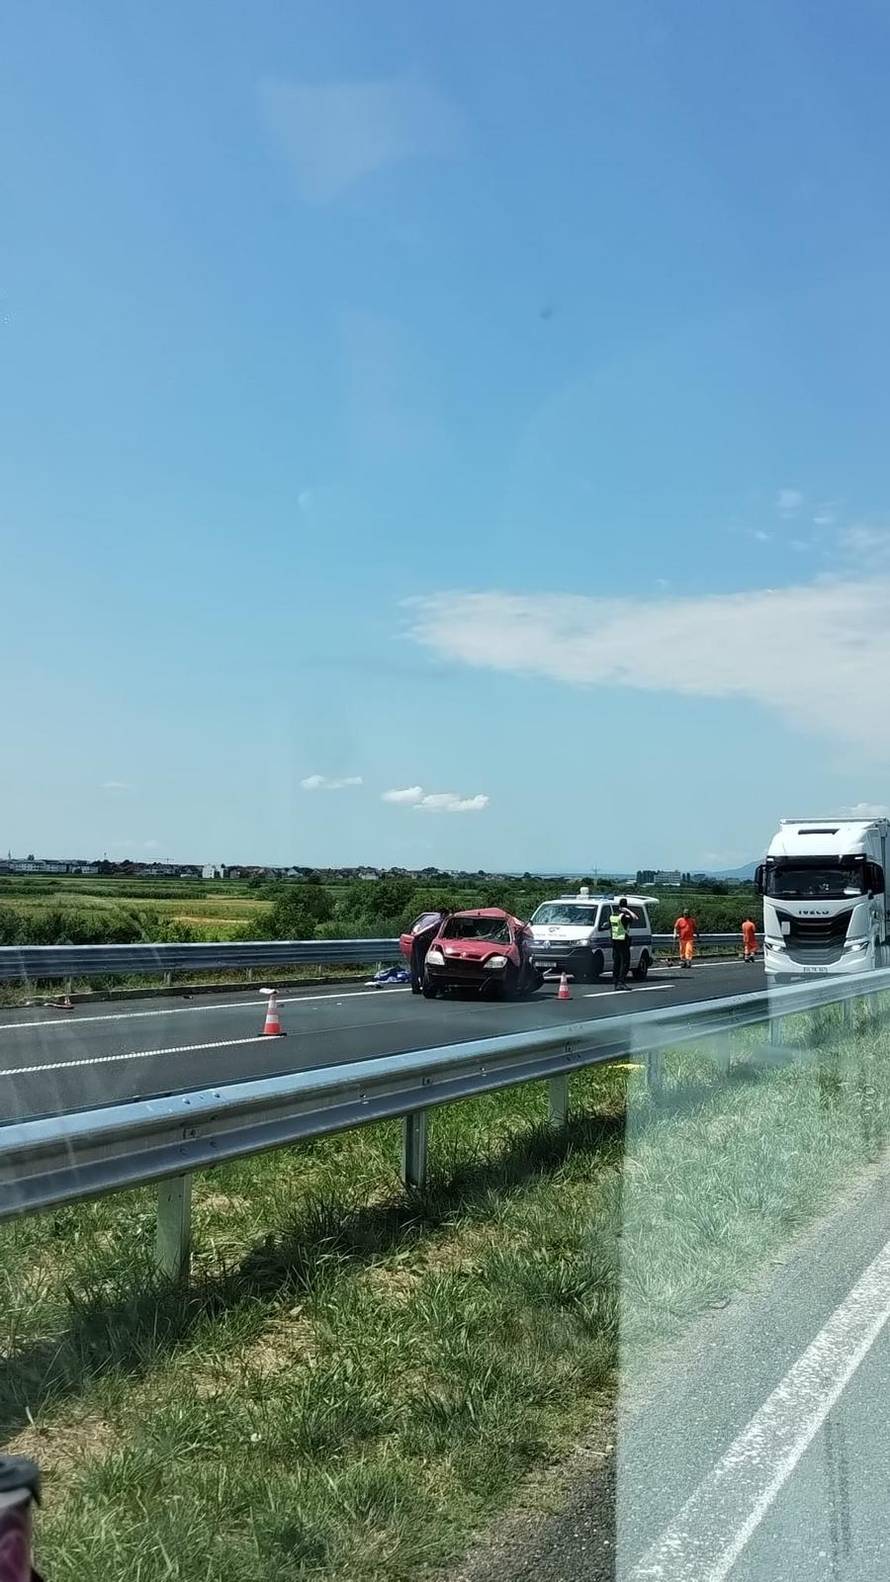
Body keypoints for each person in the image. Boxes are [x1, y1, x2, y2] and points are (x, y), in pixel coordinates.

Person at [609, 896, 638, 989]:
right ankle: (621, 981)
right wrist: (628, 910)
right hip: (623, 940)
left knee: (616, 962)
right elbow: (635, 918)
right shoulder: (624, 916)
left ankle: (615, 982)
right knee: (625, 962)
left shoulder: (613, 915)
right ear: (626, 905)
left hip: (614, 940)